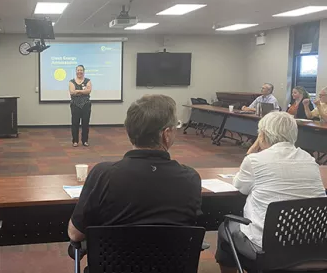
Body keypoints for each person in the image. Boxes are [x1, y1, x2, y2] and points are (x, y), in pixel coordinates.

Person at [68, 94, 202, 243]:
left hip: (113, 265)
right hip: (174, 265)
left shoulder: (104, 174)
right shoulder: (190, 178)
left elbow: (75, 234)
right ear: (166, 134)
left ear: (129, 131)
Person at [215, 111, 326, 273]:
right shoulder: (309, 160)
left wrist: (251, 151)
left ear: (263, 135)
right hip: (311, 245)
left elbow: (240, 185)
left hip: (268, 248)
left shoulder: (255, 160)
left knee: (225, 229)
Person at [69, 65, 92, 147]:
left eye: (81, 70)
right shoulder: (71, 81)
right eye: (78, 70)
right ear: (76, 71)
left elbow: (88, 91)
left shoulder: (88, 81)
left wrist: (77, 91)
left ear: (83, 71)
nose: (79, 72)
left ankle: (85, 141)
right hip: (75, 105)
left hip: (86, 105)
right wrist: (83, 91)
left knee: (85, 123)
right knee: (75, 123)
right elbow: (72, 92)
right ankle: (75, 141)